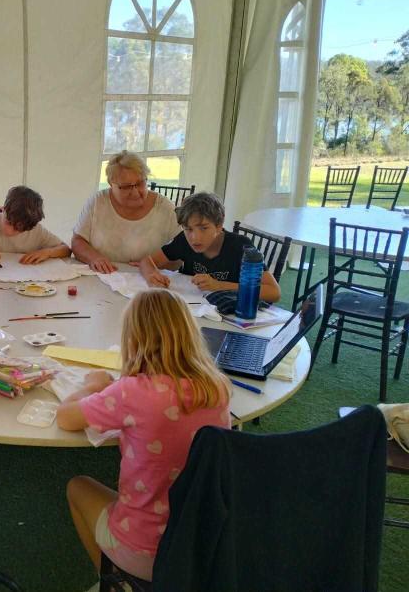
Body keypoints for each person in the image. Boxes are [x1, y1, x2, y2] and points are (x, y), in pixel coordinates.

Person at [56, 289, 231, 583]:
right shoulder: (217, 387)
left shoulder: (132, 391)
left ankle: (116, 583)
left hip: (145, 551)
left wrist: (92, 385)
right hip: (201, 542)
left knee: (77, 486)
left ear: (134, 340)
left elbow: (65, 417)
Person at [138, 192, 282, 302]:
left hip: (231, 312)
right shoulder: (184, 240)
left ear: (219, 225)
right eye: (188, 229)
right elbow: (147, 261)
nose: (195, 238)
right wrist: (152, 275)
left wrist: (220, 285)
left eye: (204, 228)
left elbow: (274, 292)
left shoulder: (240, 246)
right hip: (194, 309)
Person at [72, 150, 181, 273]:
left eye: (140, 183)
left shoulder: (165, 208)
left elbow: (185, 249)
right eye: (126, 187)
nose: (135, 192)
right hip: (103, 276)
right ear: (111, 184)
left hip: (151, 279)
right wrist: (94, 258)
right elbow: (78, 241)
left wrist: (151, 265)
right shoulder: (98, 202)